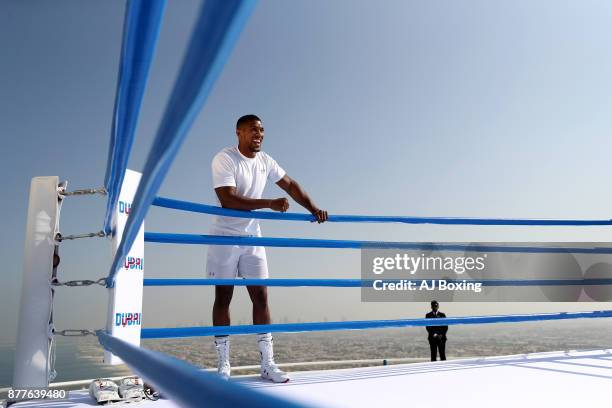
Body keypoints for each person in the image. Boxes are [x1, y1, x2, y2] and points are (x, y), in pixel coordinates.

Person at [207, 114, 328, 382]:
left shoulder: (265, 160)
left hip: (253, 236)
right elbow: (227, 199)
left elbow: (291, 185)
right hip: (224, 235)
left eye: (262, 130)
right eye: (253, 130)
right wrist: (269, 204)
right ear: (239, 132)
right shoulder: (224, 158)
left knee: (261, 297)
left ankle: (267, 363)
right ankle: (223, 365)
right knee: (223, 297)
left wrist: (314, 209)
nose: (259, 134)